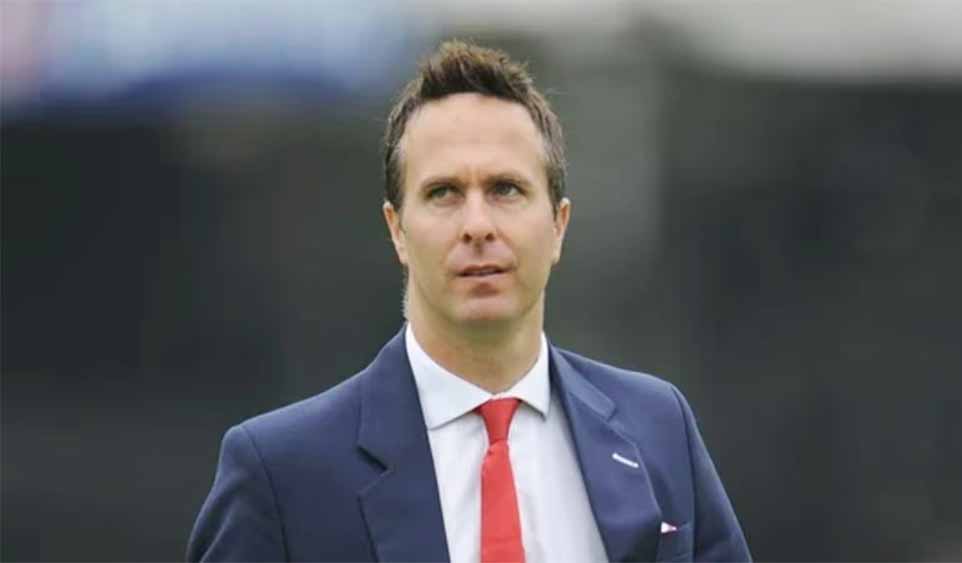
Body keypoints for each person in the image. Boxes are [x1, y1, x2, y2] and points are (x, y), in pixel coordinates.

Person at [187, 40, 751, 563]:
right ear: (397, 230)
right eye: (443, 193)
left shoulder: (658, 428)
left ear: (558, 225)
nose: (477, 224)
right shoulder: (281, 472)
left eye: (506, 189)